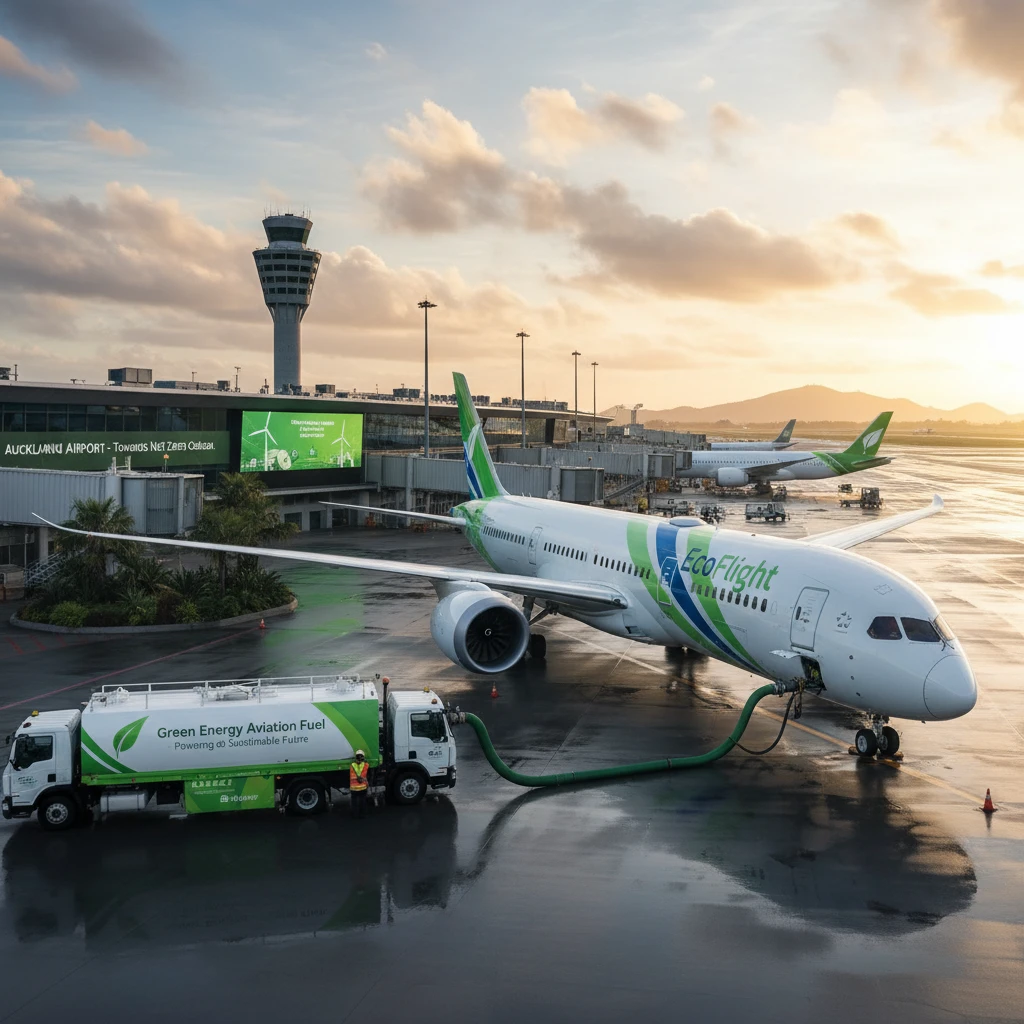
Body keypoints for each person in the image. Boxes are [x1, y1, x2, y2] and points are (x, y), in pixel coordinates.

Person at [349, 749, 369, 818]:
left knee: (354, 802)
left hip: (354, 788)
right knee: (363, 801)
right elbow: (366, 763)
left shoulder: (352, 765)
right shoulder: (365, 765)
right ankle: (363, 814)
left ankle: (355, 815)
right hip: (363, 787)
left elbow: (355, 763)